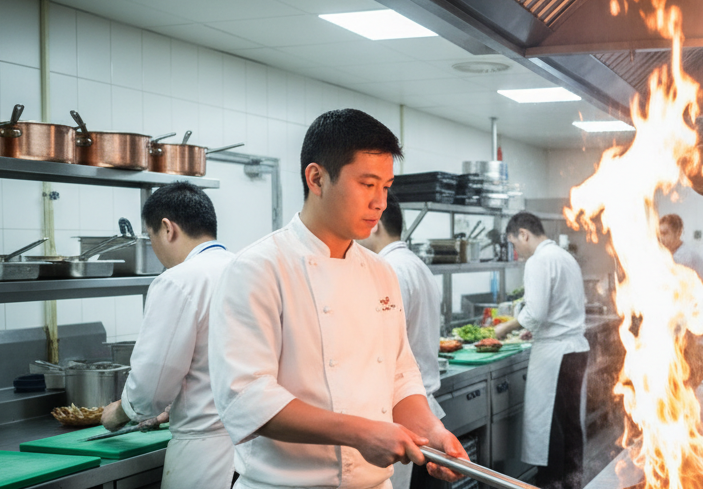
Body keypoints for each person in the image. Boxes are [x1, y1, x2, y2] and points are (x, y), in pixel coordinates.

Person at [208, 109, 466, 489]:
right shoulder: (258, 269)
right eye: (367, 184)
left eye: (387, 186)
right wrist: (362, 433)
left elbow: (399, 377)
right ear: (317, 178)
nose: (380, 202)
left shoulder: (381, 272)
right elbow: (247, 398)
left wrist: (433, 431)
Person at [99, 182, 236, 488]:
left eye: (150, 238)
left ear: (167, 228)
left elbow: (152, 385)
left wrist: (120, 412)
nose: (155, 249)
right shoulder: (246, 268)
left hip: (205, 458)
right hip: (254, 451)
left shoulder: (178, 281)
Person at [492, 212, 589, 489]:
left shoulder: (538, 260)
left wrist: (503, 329)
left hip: (556, 355)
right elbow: (553, 308)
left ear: (524, 234)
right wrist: (533, 326)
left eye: (514, 244)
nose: (516, 251)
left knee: (550, 426)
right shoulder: (564, 256)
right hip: (575, 349)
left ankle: (552, 484)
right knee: (569, 422)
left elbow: (535, 311)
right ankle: (573, 481)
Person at [357, 192, 445, 489]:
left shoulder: (389, 269)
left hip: (404, 410)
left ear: (376, 222)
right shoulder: (417, 265)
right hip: (423, 406)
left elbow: (380, 347)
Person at [657, 213, 703, 279]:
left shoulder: (686, 256)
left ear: (678, 233)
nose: (661, 238)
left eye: (665, 233)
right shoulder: (666, 254)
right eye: (660, 234)